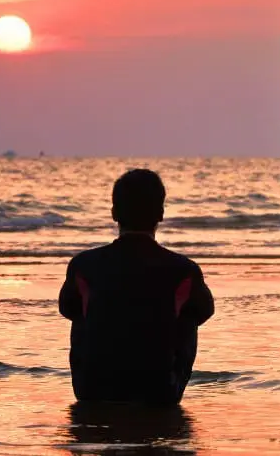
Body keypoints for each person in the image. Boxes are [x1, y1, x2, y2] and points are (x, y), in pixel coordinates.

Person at [58, 168, 214, 405]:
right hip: (159, 391)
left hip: (93, 390)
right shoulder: (184, 269)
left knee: (84, 309)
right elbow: (205, 311)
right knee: (187, 312)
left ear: (114, 213)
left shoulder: (83, 265)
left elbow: (67, 309)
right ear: (161, 214)